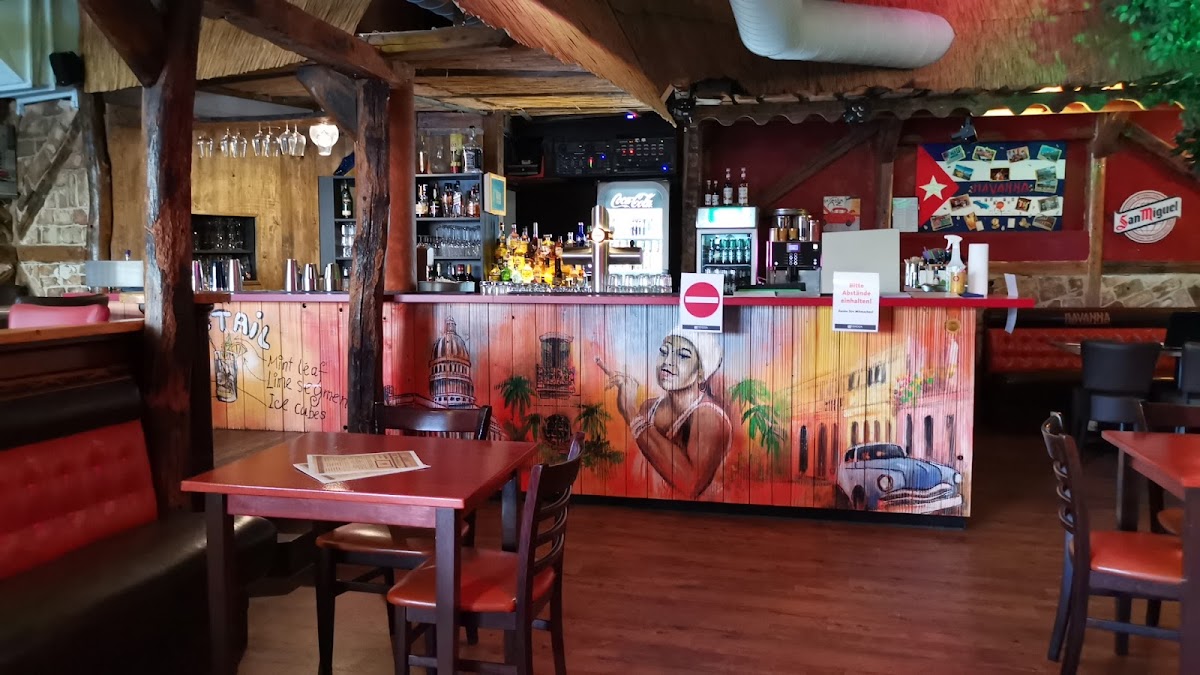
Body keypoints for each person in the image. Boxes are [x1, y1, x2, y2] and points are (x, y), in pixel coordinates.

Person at [597, 327, 732, 499]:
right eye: (663, 352)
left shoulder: (711, 419)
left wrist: (631, 412)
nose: (667, 361)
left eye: (682, 356)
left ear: (701, 373)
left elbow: (689, 485)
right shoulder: (649, 408)